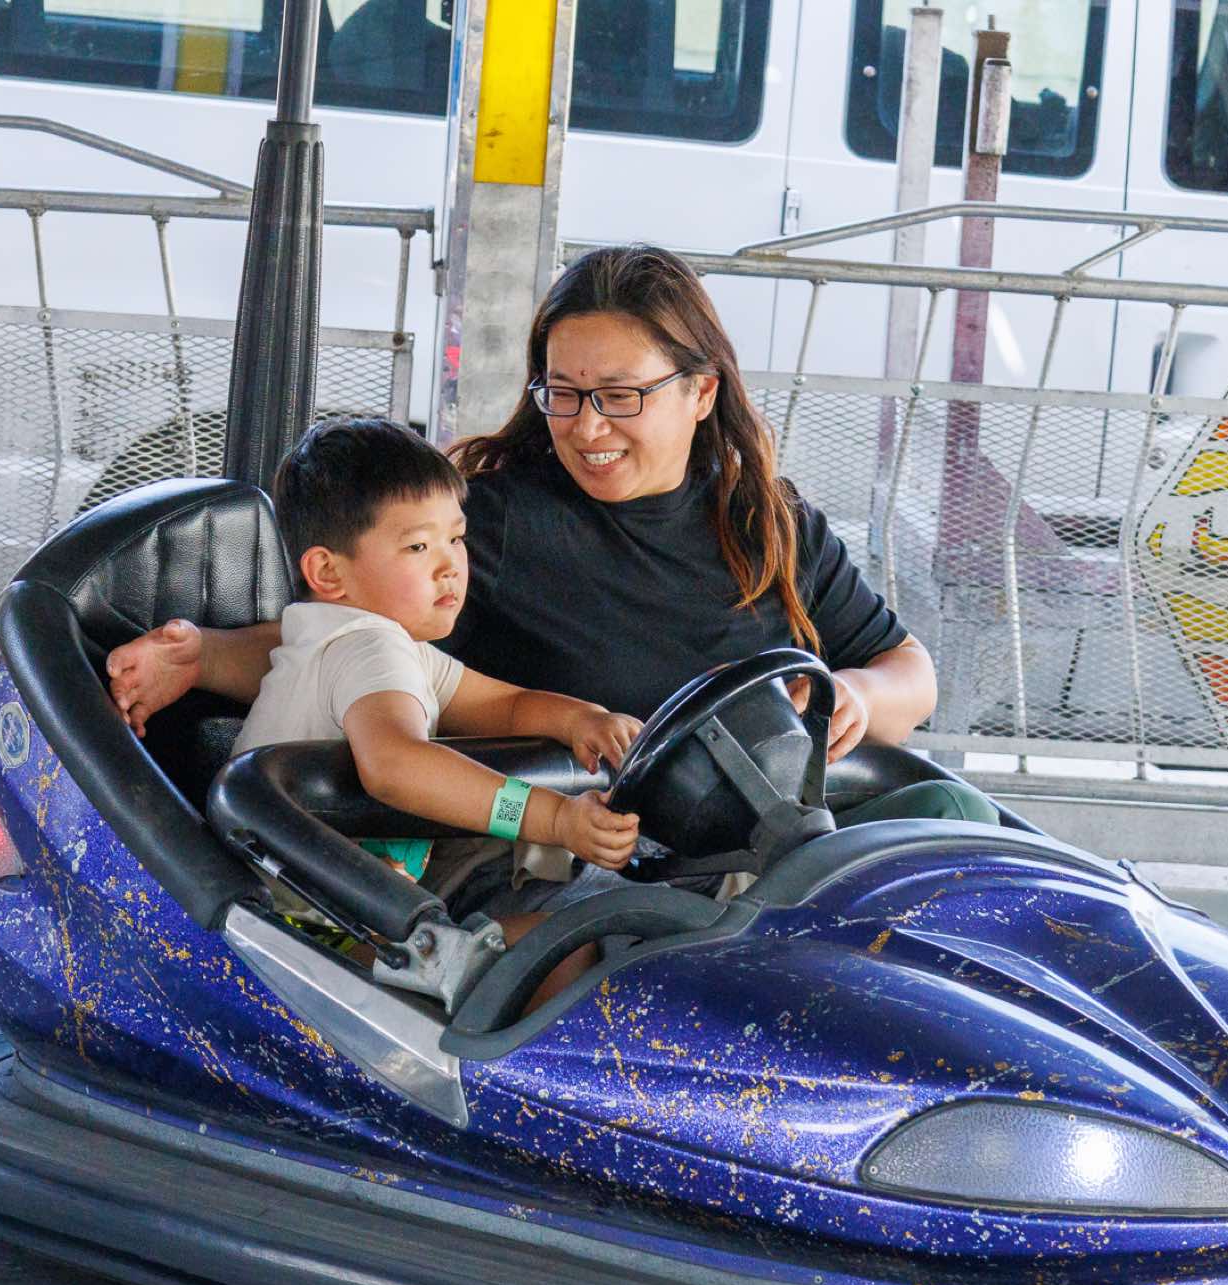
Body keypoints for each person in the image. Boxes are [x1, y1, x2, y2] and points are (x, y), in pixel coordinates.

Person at [110, 244, 998, 913]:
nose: (586, 426)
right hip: (612, 879)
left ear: (700, 392)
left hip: (784, 847)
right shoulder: (493, 524)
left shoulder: (768, 524)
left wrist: (855, 695)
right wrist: (202, 656)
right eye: (563, 392)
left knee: (956, 816)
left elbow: (908, 672)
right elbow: (346, 637)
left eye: (619, 394)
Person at [233, 414, 640, 979]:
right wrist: (554, 819)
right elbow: (396, 766)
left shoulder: (373, 640)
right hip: (308, 942)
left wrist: (581, 719)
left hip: (345, 916)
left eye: (456, 538)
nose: (450, 565)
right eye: (419, 546)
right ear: (328, 571)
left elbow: (503, 706)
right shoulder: (365, 647)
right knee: (581, 945)